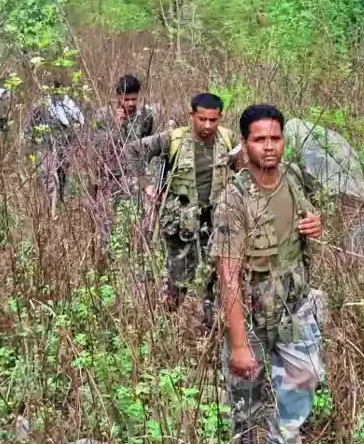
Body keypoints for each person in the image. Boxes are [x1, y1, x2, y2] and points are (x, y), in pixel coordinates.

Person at [210, 103, 325, 444]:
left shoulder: (292, 176)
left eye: (276, 138)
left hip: (294, 304)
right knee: (246, 405)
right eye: (260, 139)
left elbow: (309, 214)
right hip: (251, 311)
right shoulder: (234, 200)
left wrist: (315, 223)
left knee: (305, 377)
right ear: (245, 144)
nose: (269, 146)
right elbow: (228, 276)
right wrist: (240, 345)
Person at [123, 93, 243, 319]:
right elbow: (133, 150)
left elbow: (241, 170)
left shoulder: (227, 139)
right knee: (179, 276)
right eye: (202, 119)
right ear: (192, 116)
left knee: (215, 275)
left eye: (213, 120)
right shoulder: (173, 139)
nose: (207, 125)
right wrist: (146, 185)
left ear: (220, 118)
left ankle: (211, 323)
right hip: (181, 220)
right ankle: (165, 321)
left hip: (216, 218)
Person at [86, 73, 159, 251]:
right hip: (110, 178)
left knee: (140, 220)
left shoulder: (145, 116)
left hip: (136, 177)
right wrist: (115, 126)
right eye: (127, 99)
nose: (131, 103)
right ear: (118, 97)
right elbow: (96, 147)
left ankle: (140, 251)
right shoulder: (103, 116)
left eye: (134, 99)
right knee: (110, 222)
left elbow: (149, 145)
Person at [23, 75, 86, 216]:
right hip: (45, 147)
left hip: (64, 146)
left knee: (62, 174)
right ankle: (51, 208)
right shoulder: (40, 106)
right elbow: (28, 127)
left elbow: (80, 122)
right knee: (48, 175)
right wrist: (31, 146)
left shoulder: (68, 104)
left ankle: (61, 203)